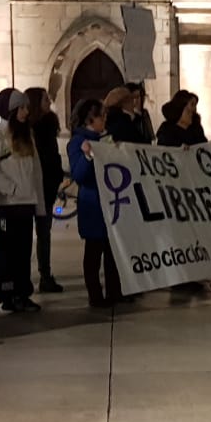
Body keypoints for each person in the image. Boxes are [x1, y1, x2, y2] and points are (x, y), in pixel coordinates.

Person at [0, 88, 43, 312]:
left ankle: (22, 292)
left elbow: (35, 171)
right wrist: (9, 188)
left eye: (26, 107)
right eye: (21, 107)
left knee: (24, 249)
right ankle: (6, 292)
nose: (26, 111)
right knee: (6, 249)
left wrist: (38, 201)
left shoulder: (27, 135)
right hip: (6, 206)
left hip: (25, 204)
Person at [68, 98, 125, 308]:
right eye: (103, 116)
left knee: (112, 250)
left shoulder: (106, 139)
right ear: (92, 118)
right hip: (93, 203)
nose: (106, 120)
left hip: (111, 202)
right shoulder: (77, 142)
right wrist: (88, 155)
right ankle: (95, 294)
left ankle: (114, 290)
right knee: (93, 251)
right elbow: (79, 175)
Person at [25, 88, 67, 295]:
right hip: (30, 186)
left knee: (44, 232)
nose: (49, 101)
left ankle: (45, 275)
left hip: (47, 185)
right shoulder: (29, 129)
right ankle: (33, 276)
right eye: (44, 98)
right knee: (29, 234)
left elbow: (52, 156)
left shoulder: (48, 125)